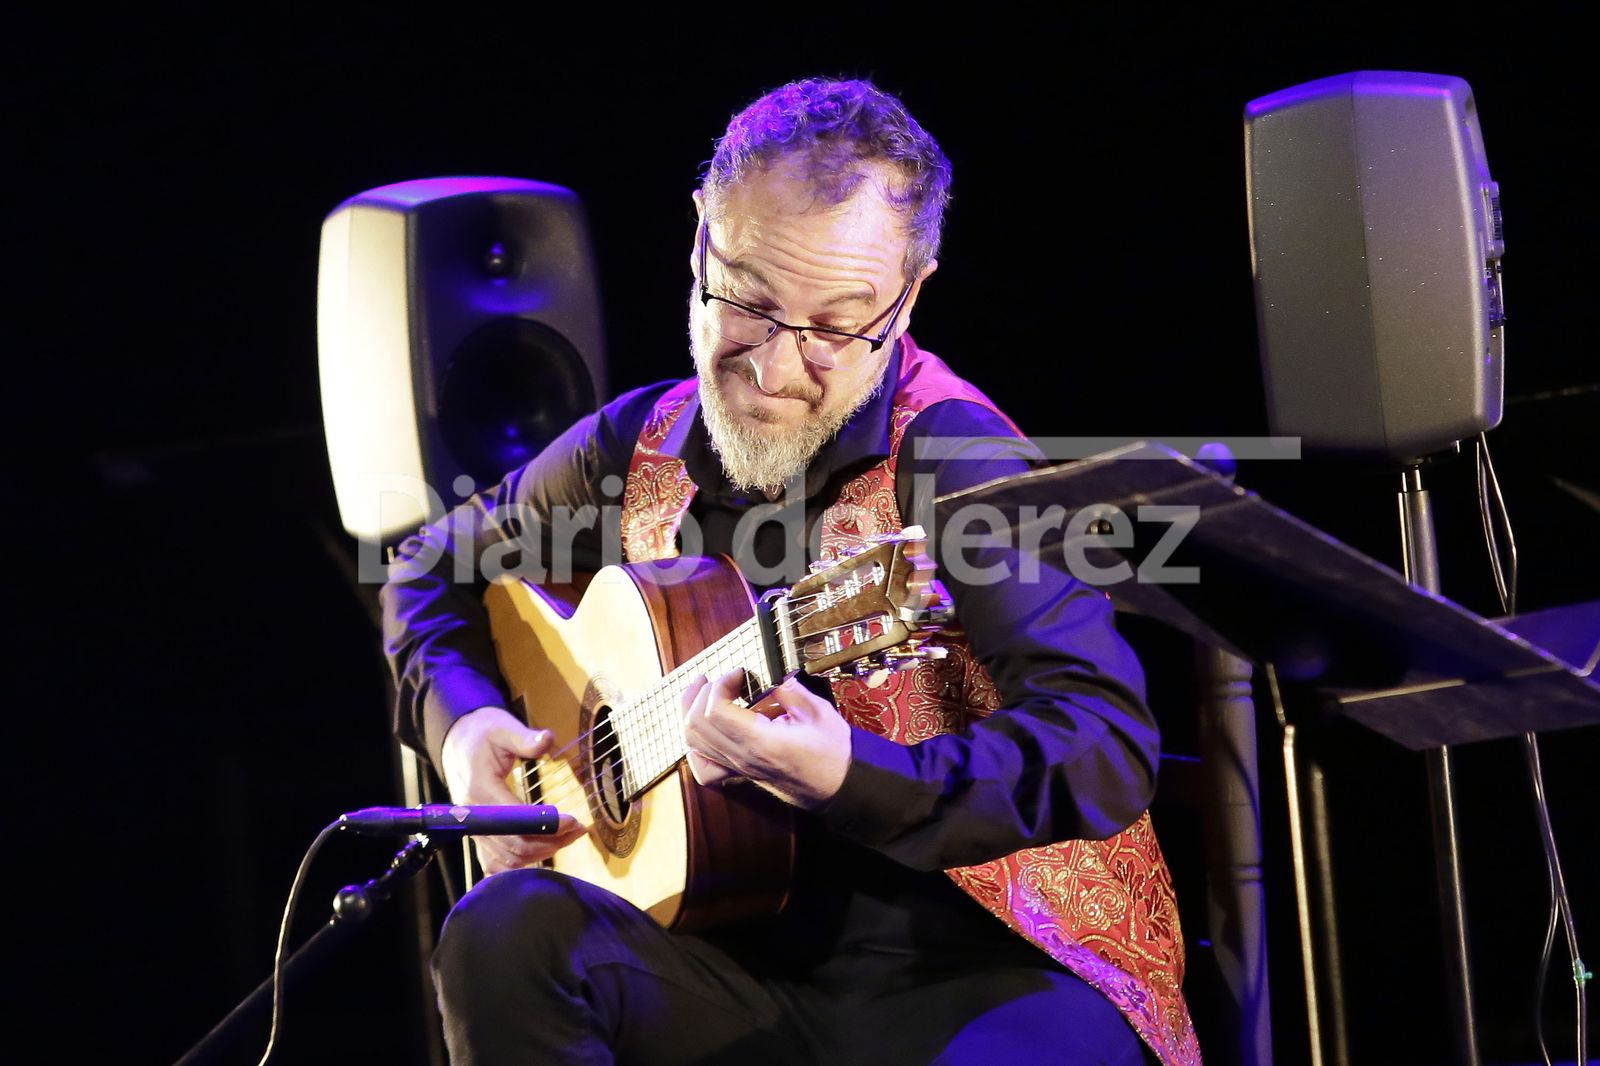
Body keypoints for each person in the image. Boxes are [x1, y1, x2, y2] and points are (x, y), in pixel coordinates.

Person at [382, 76, 1199, 1065]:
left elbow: (1102, 743)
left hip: (988, 976)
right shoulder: (637, 443)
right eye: (750, 305)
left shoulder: (953, 456)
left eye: (834, 326)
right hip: (732, 967)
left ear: (909, 293)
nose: (776, 368)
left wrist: (859, 776)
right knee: (506, 929)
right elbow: (429, 562)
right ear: (698, 242)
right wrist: (463, 725)